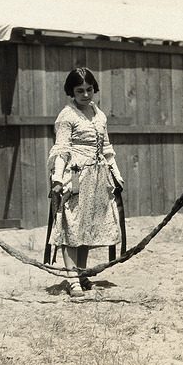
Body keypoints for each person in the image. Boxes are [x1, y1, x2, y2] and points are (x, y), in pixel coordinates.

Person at [45, 67, 125, 298]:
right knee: (71, 226)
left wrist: (116, 176)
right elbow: (61, 150)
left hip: (98, 176)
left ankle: (81, 273)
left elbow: (107, 149)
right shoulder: (67, 116)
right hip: (75, 176)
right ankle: (72, 279)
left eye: (89, 89)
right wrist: (58, 180)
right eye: (80, 91)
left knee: (86, 227)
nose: (86, 95)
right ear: (71, 92)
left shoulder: (99, 115)